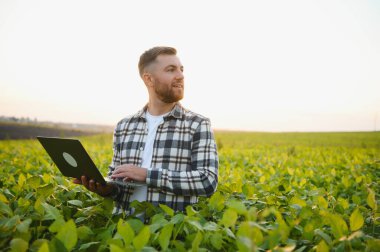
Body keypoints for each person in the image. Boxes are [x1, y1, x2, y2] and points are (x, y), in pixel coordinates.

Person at [74, 46, 218, 215]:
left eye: (181, 69)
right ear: (149, 79)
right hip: (125, 231)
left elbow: (208, 181)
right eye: (171, 70)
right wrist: (105, 189)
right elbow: (117, 183)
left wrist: (148, 175)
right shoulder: (124, 126)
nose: (180, 75)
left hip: (169, 233)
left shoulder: (198, 124)